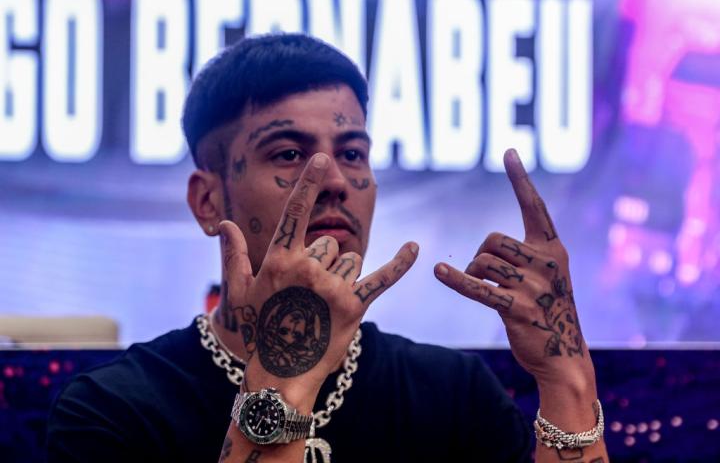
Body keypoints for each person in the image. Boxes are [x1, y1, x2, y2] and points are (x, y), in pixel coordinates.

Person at [47, 33, 608, 463]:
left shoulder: (454, 394)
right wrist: (286, 370)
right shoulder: (112, 409)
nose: (334, 179)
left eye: (353, 153)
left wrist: (567, 379)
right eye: (290, 154)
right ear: (208, 201)